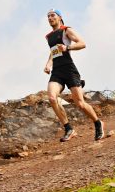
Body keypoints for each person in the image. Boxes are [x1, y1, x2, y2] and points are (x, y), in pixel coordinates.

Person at [44, 9, 104, 142]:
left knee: (80, 104)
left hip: (69, 70)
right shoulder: (49, 36)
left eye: (52, 15)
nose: (50, 18)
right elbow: (53, 51)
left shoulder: (66, 30)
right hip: (57, 72)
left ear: (60, 17)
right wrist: (48, 64)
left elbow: (82, 43)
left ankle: (98, 123)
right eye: (48, 16)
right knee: (52, 98)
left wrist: (68, 48)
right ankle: (68, 128)